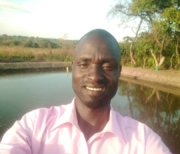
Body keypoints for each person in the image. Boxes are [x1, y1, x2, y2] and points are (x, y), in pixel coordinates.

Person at [0, 29, 171, 154]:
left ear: (119, 71)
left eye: (108, 66)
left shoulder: (143, 140)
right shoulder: (34, 126)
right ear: (72, 68)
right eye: (84, 64)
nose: (95, 76)